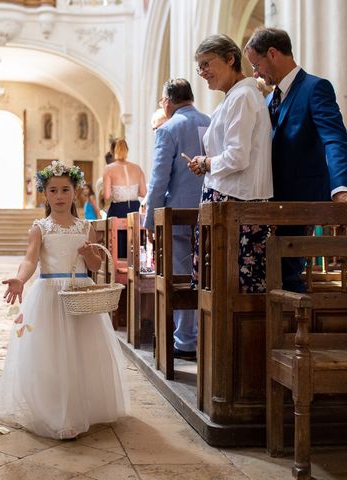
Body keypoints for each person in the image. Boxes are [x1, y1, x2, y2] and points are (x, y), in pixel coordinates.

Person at [0, 160, 130, 440]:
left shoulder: (85, 228)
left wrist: (87, 253)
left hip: (80, 295)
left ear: (75, 192)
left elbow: (94, 264)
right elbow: (30, 259)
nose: (59, 196)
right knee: (51, 353)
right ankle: (56, 410)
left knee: (81, 352)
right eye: (53, 191)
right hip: (49, 294)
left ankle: (83, 406)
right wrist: (20, 279)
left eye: (65, 190)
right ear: (45, 194)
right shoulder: (40, 228)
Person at [244, 27, 347, 292]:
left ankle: (291, 330)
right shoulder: (269, 98)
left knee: (288, 275)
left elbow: (334, 138)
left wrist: (340, 188)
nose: (255, 73)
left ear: (273, 53)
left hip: (302, 200)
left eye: (256, 65)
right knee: (273, 275)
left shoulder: (315, 88)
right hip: (271, 202)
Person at [188, 34, 273, 293]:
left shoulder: (243, 96)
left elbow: (237, 156)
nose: (202, 72)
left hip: (237, 204)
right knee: (217, 287)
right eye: (199, 66)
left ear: (229, 59)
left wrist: (206, 163)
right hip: (225, 200)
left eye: (206, 64)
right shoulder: (233, 97)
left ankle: (230, 335)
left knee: (232, 290)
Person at [143, 78, 210, 360]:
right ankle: (205, 336)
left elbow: (158, 180)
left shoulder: (168, 128)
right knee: (208, 276)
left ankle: (185, 341)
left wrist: (149, 221)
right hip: (210, 210)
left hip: (178, 216)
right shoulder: (210, 121)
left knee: (182, 277)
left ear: (168, 102)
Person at [103, 138, 147, 257]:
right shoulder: (137, 168)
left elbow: (107, 195)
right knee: (136, 245)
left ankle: (117, 273)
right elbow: (143, 192)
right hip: (135, 208)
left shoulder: (108, 169)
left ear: (113, 152)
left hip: (118, 210)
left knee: (118, 248)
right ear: (127, 150)